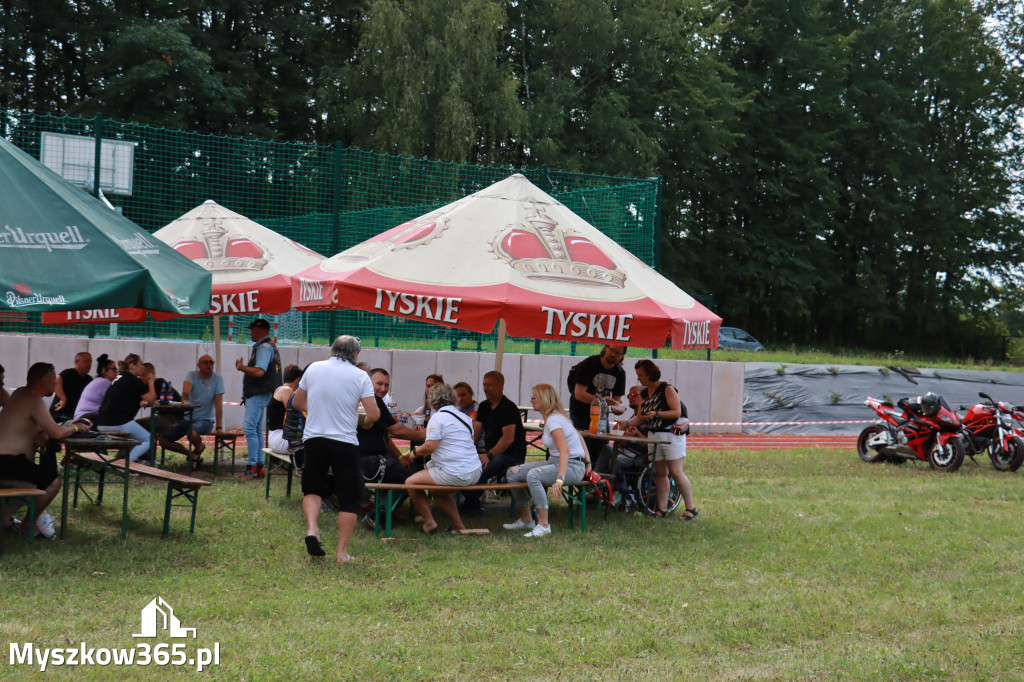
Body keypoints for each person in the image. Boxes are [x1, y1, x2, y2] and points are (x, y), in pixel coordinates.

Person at [292, 335, 379, 564]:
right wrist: (362, 420)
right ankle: (341, 553)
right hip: (344, 441)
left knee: (312, 488)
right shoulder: (361, 376)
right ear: (356, 354)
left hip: (314, 439)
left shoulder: (313, 369)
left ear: (332, 350)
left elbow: (297, 403)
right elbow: (374, 414)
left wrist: (321, 410)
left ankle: (312, 530)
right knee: (349, 497)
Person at [0, 363, 92, 537]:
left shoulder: (21, 394)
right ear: (43, 379)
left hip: (9, 462)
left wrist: (47, 433)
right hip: (7, 463)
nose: (56, 386)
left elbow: (43, 428)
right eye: (53, 381)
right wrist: (77, 428)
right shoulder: (33, 398)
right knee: (52, 482)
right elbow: (56, 432)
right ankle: (27, 524)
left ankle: (6, 515)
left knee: (36, 479)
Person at [615, 359, 698, 520]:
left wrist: (657, 414)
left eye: (641, 375)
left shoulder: (666, 389)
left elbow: (676, 412)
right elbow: (640, 418)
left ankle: (691, 508)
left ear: (649, 374)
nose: (638, 378)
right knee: (660, 473)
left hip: (671, 435)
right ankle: (661, 509)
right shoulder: (645, 393)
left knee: (675, 471)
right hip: (654, 435)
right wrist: (625, 423)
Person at [504, 383, 590, 537]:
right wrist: (588, 462)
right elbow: (578, 435)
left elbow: (565, 450)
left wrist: (560, 479)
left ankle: (543, 525)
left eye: (534, 397)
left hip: (571, 466)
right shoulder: (556, 417)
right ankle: (526, 520)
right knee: (512, 473)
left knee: (534, 475)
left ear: (544, 399)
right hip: (558, 462)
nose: (531, 400)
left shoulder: (554, 420)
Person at [404, 383, 482, 534]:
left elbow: (429, 447)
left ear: (433, 401)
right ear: (453, 398)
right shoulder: (465, 418)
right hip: (475, 471)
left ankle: (429, 522)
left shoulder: (437, 417)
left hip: (455, 473)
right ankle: (458, 525)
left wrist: (412, 454)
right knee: (438, 491)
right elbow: (470, 442)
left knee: (410, 483)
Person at [357, 368, 426, 530]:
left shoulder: (365, 399)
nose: (383, 388)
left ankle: (383, 512)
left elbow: (385, 436)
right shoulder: (372, 400)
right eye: (379, 384)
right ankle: (376, 516)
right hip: (368, 462)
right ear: (369, 383)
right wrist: (426, 434)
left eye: (386, 385)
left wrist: (401, 457)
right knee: (411, 480)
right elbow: (397, 430)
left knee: (398, 470)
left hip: (361, 459)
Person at [461, 371, 527, 516]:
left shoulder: (508, 407)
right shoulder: (484, 406)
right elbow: (476, 434)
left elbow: (508, 439)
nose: (485, 388)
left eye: (489, 385)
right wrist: (465, 452)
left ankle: (469, 506)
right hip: (492, 453)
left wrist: (488, 455)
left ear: (500, 385)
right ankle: (470, 504)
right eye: (484, 385)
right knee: (462, 466)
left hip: (512, 456)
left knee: (482, 470)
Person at [157, 355, 225, 470]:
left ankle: (199, 448)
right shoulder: (192, 375)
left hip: (205, 420)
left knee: (192, 432)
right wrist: (185, 400)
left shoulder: (218, 379)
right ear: (199, 365)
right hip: (188, 418)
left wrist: (219, 427)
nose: (209, 365)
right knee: (163, 441)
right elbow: (186, 389)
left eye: (211, 363)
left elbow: (218, 404)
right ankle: (191, 454)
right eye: (205, 362)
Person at [236, 318, 283, 479]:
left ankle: (252, 468)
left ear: (259, 329)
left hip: (258, 393)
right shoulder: (270, 346)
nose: (251, 332)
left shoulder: (263, 347)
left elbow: (259, 372)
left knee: (250, 428)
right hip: (264, 392)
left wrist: (241, 367)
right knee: (256, 429)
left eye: (252, 329)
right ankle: (259, 466)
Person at [569, 344, 628, 464]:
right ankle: (583, 478)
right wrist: (603, 401)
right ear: (606, 348)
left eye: (618, 353)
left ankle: (595, 479)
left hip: (602, 417)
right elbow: (579, 394)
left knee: (601, 453)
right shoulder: (589, 364)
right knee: (583, 454)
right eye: (611, 349)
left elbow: (617, 400)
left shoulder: (620, 372)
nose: (613, 354)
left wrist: (618, 408)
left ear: (622, 356)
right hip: (581, 414)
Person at [94, 353, 156, 464]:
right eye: (141, 364)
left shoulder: (120, 377)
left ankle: (120, 462)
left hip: (102, 421)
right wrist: (151, 381)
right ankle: (125, 465)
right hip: (117, 422)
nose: (143, 367)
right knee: (149, 439)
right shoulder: (133, 380)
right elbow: (151, 399)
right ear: (132, 365)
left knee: (133, 435)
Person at [268, 364, 303, 455]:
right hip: (280, 438)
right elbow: (294, 413)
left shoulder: (280, 389)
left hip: (276, 437)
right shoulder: (287, 390)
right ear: (298, 379)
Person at [49, 351, 92, 422]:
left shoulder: (89, 379)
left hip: (74, 416)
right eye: (86, 361)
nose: (89, 364)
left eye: (90, 362)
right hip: (59, 415)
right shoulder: (69, 373)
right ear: (77, 361)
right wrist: (63, 398)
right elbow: (56, 380)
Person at [74, 354, 118, 422]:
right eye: (114, 369)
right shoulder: (104, 382)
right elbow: (117, 400)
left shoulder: (98, 381)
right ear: (104, 371)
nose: (117, 372)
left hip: (83, 417)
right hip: (86, 418)